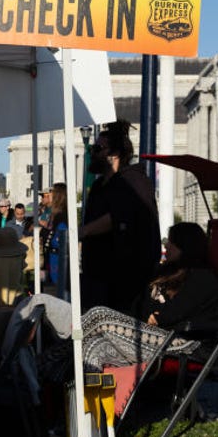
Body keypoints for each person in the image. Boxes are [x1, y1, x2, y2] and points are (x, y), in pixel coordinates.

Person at [27, 222, 218, 381]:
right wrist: (153, 314)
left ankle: (36, 366)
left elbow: (174, 314)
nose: (166, 246)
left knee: (99, 315)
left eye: (171, 242)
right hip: (148, 335)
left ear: (185, 246)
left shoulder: (201, 277)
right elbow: (141, 306)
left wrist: (157, 315)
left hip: (180, 345)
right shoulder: (163, 272)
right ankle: (75, 413)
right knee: (93, 347)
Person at [78, 120, 161, 313]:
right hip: (98, 275)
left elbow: (120, 216)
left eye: (98, 148)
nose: (93, 153)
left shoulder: (134, 180)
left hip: (124, 276)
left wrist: (84, 231)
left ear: (114, 154)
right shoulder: (99, 186)